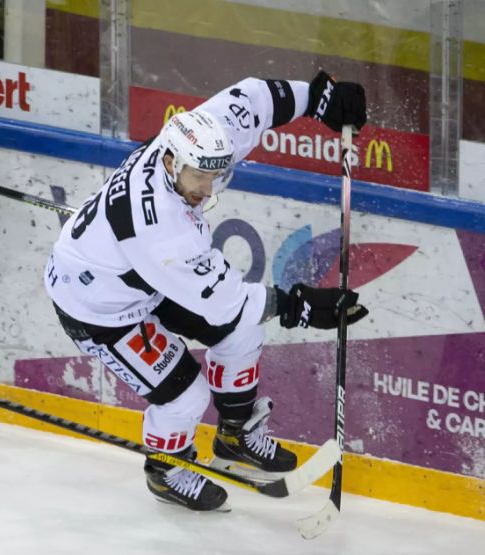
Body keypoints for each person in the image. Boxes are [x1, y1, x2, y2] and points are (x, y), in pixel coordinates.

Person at [43, 71, 369, 512]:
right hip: (98, 306)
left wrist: (316, 98)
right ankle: (166, 471)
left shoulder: (195, 141)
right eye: (198, 177)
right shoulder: (160, 228)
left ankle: (235, 435)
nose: (205, 189)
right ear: (172, 163)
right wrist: (301, 307)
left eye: (214, 175)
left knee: (243, 335)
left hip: (141, 277)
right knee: (185, 395)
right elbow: (223, 301)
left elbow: (253, 98)